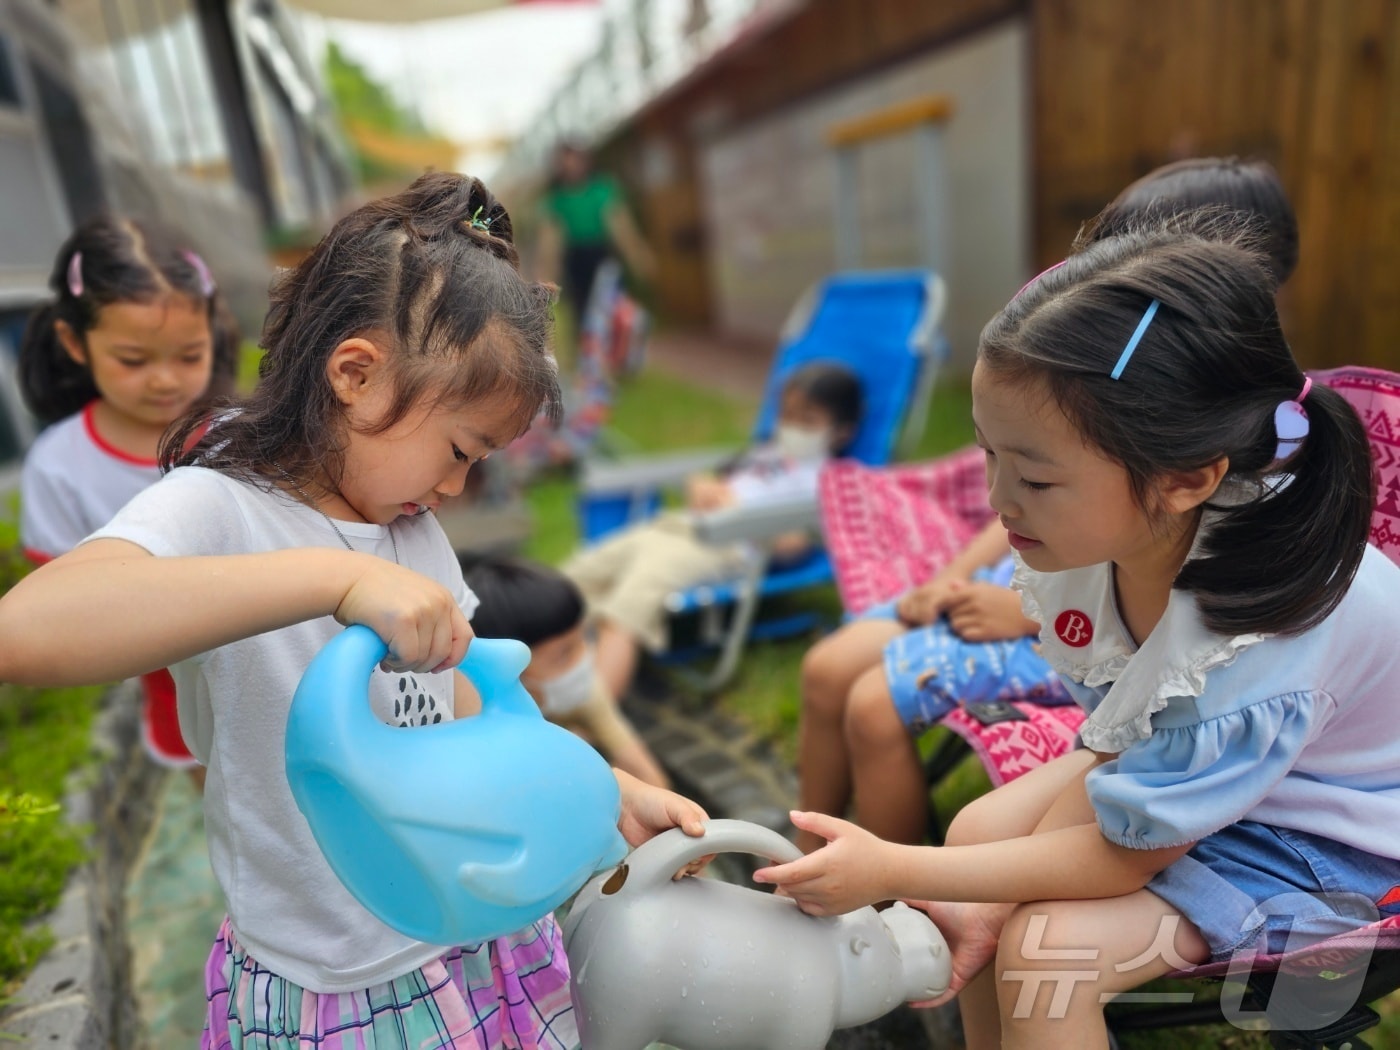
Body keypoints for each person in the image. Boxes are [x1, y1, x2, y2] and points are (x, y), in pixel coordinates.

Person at [0, 172, 708, 1049]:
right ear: (355, 374)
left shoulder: (410, 529)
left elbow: (462, 704)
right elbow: (25, 632)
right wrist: (327, 582)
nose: (456, 486)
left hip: (467, 929)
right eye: (459, 450)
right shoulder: (219, 505)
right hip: (330, 975)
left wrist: (607, 789)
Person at [754, 213, 1400, 1049]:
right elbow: (1130, 726)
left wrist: (894, 868)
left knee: (1043, 950)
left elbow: (1122, 853)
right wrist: (954, 873)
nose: (996, 499)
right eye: (989, 456)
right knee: (977, 837)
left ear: (1184, 478)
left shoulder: (1254, 631)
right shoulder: (1120, 531)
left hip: (1322, 836)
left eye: (1033, 476)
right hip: (1197, 774)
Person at [794, 154, 1302, 853]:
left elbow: (1172, 619)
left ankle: (880, 901)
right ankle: (805, 851)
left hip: (1084, 633)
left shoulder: (1230, 435)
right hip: (1045, 589)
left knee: (871, 703)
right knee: (828, 667)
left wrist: (1028, 613)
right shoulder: (1085, 386)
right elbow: (1018, 506)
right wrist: (957, 577)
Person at [17, 213, 239, 777]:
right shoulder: (59, 465)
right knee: (228, 815)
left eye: (189, 355)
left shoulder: (241, 433)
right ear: (74, 341)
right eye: (133, 361)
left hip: (281, 659)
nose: (165, 380)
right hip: (169, 684)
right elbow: (62, 601)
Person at [564, 361, 864, 701]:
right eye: (787, 414)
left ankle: (587, 728)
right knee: (573, 580)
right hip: (676, 527)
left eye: (807, 419)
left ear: (842, 431)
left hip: (726, 548)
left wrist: (736, 511)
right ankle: (531, 678)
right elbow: (716, 483)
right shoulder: (765, 454)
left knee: (626, 610)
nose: (792, 426)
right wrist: (703, 487)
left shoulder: (832, 478)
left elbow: (796, 544)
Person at [463, 553, 672, 788]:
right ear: (507, 666)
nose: (583, 660)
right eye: (563, 655)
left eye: (584, 638)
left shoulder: (587, 694)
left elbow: (647, 775)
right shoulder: (479, 724)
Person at [535, 139, 656, 322]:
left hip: (602, 255)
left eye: (575, 160)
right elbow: (550, 243)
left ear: (585, 161)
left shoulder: (602, 190)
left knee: (614, 312)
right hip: (575, 260)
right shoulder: (556, 199)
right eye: (565, 161)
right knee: (585, 316)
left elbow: (623, 230)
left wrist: (639, 257)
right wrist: (546, 277)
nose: (571, 166)